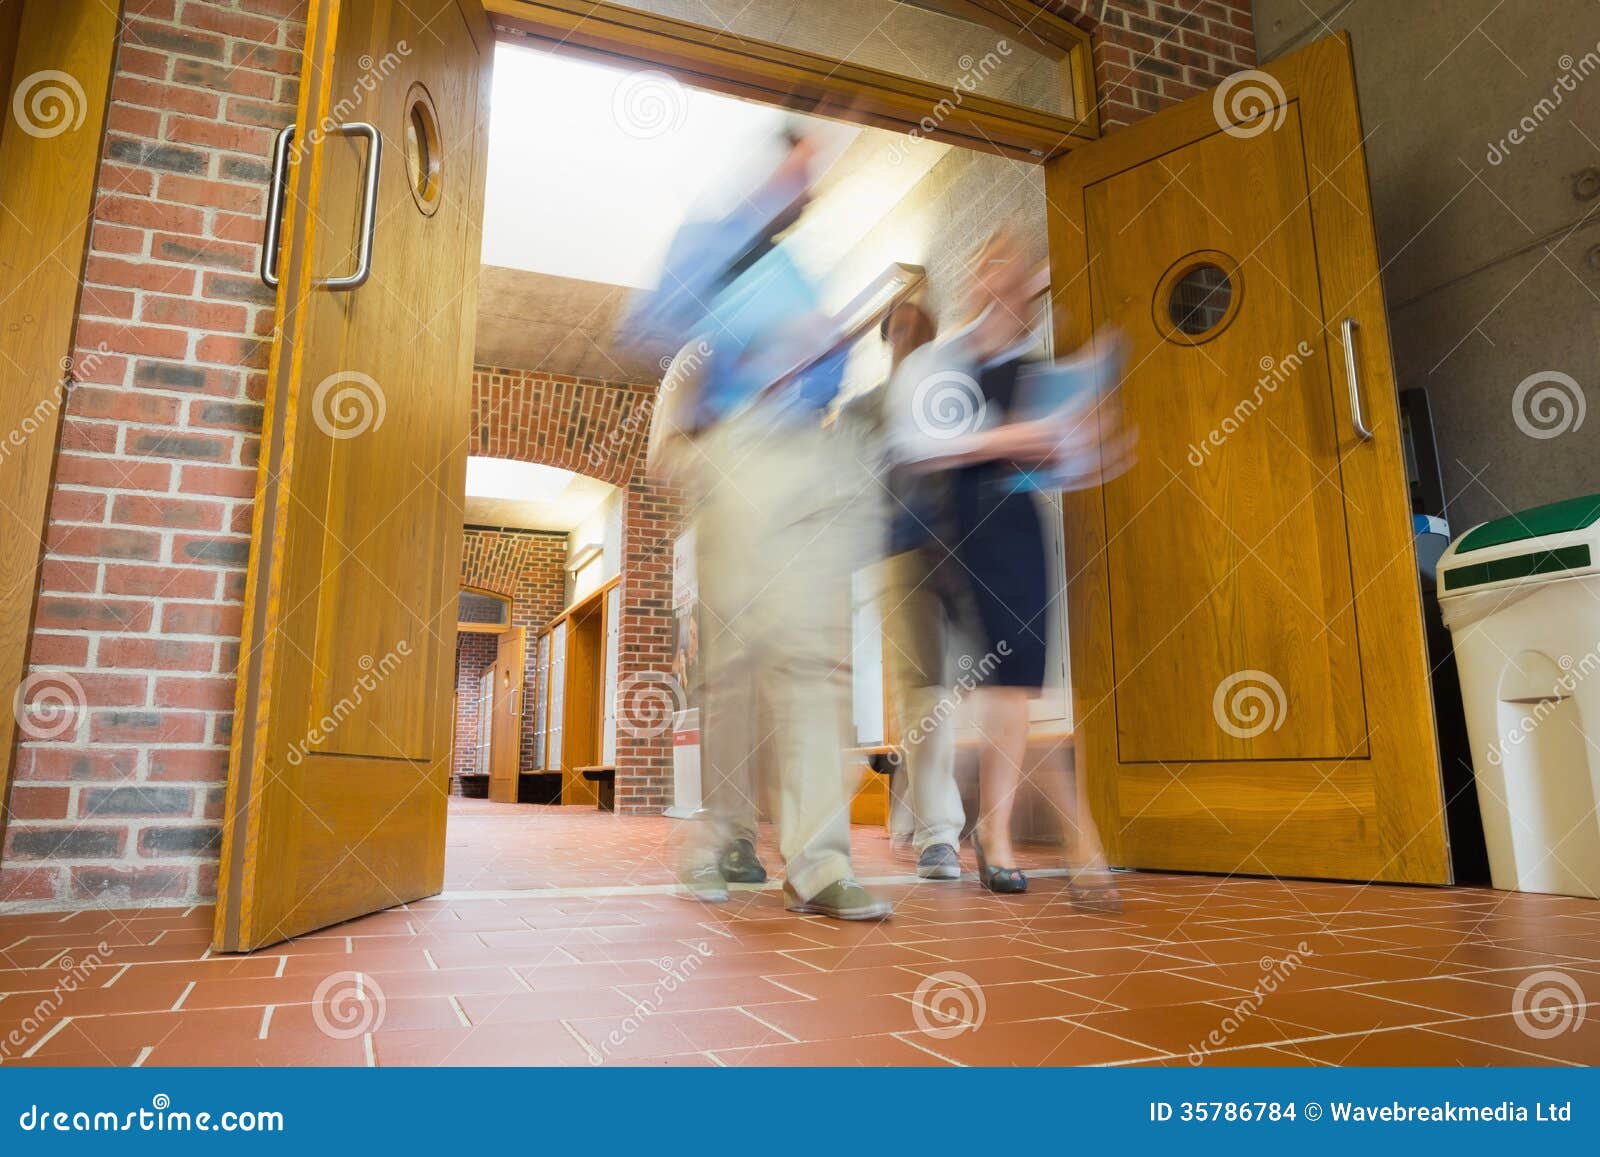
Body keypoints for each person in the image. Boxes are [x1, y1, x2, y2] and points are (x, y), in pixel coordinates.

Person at [639, 130, 892, 921]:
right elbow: (652, 319)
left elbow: (827, 375)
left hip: (809, 454)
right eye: (800, 163)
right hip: (738, 453)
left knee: (813, 661)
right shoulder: (709, 242)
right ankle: (724, 839)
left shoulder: (799, 271)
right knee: (735, 662)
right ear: (771, 168)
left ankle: (820, 864)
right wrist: (756, 351)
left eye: (816, 170)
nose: (811, 181)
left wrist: (823, 348)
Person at [884, 229, 1128, 908]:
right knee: (1003, 679)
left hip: (1019, 523)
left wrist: (1085, 444)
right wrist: (1009, 437)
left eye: (1017, 271)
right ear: (974, 278)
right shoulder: (939, 363)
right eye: (993, 264)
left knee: (1018, 679)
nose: (1005, 279)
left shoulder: (1034, 370)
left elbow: (1065, 455)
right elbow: (917, 446)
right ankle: (1062, 838)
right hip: (955, 528)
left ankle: (1005, 833)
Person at [858, 300, 967, 881]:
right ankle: (939, 835)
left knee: (961, 691)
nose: (910, 338)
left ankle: (917, 808)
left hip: (963, 554)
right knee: (926, 693)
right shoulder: (870, 409)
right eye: (899, 329)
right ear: (887, 340)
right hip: (901, 558)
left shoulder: (952, 392)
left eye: (921, 329)